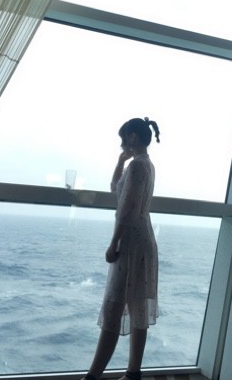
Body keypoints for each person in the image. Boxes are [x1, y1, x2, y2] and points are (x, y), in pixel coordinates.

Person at [81, 117, 161, 380]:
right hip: (143, 239)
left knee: (113, 309)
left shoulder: (138, 166)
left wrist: (114, 241)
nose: (121, 142)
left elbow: (127, 208)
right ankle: (133, 373)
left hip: (130, 242)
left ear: (133, 137)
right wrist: (119, 162)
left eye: (123, 137)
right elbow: (117, 189)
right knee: (138, 307)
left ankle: (92, 377)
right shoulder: (145, 165)